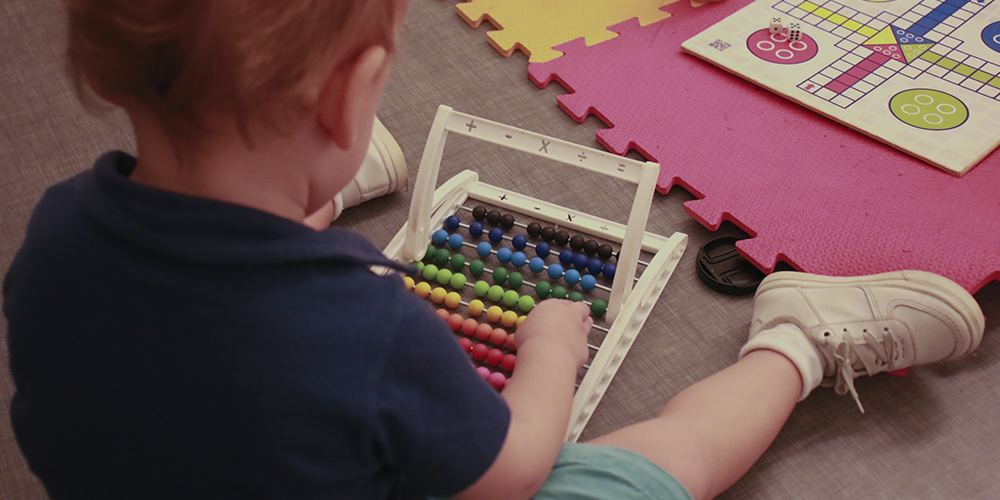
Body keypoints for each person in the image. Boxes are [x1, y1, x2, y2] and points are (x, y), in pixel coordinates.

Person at [3, 1, 985, 500]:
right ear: (350, 94)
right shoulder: (364, 327)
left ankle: (300, 196)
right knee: (634, 471)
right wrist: (553, 344)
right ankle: (798, 342)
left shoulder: (50, 231)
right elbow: (514, 466)